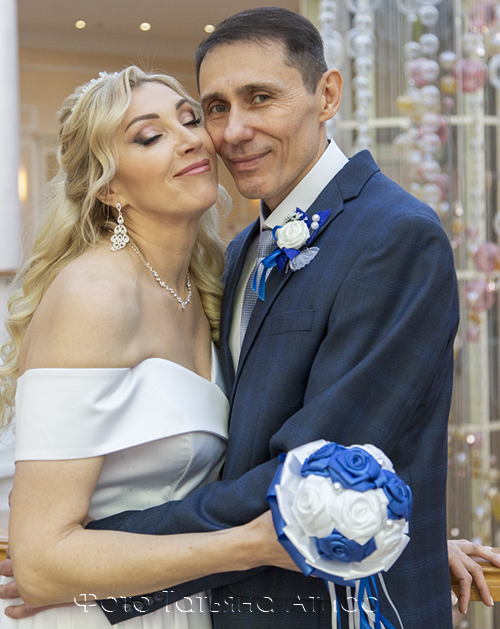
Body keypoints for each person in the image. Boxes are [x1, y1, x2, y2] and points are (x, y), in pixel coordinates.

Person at [1, 9, 499, 625]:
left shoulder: (394, 236)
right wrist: (67, 560)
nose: (228, 131)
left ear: (327, 95)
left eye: (259, 98)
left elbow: (318, 471)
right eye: (214, 108)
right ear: (107, 186)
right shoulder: (234, 257)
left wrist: (88, 557)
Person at [0, 66, 296, 627]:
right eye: (150, 135)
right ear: (108, 188)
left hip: (176, 601)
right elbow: (38, 564)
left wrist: (366, 537)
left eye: (190, 119)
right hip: (86, 614)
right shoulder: (94, 295)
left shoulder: (213, 284)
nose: (190, 138)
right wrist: (250, 546)